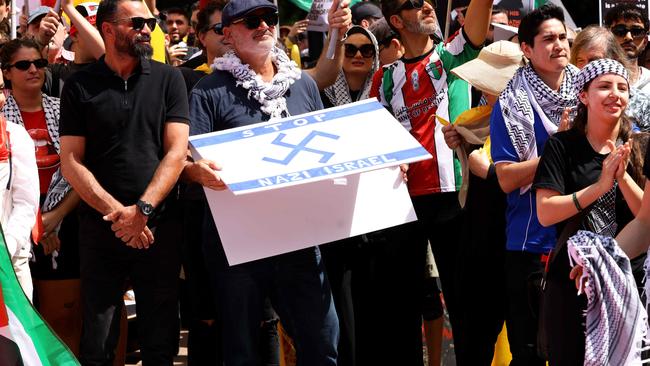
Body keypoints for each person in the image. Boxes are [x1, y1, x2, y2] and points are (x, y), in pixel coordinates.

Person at [184, 1, 342, 364]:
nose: (264, 26)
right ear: (227, 34)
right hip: (238, 243)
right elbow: (185, 159)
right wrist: (196, 171)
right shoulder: (208, 91)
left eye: (269, 18)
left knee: (322, 342)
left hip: (299, 238)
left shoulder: (303, 85)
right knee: (243, 352)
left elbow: (332, 151)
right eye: (251, 21)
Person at [58, 0, 190, 363]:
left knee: (161, 337)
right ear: (108, 28)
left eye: (150, 21)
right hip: (101, 229)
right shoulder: (79, 84)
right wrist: (119, 215)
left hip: (158, 228)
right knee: (98, 339)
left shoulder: (168, 78)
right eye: (138, 22)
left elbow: (177, 152)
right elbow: (70, 161)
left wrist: (143, 211)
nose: (147, 29)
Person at [370, 0, 493, 362]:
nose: (425, 5)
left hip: (452, 196)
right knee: (404, 306)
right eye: (413, 3)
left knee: (463, 301)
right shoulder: (384, 78)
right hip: (403, 203)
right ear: (395, 20)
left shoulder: (450, 55)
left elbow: (477, 19)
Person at [533, 58, 643, 365]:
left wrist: (621, 179)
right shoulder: (562, 146)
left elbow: (645, 218)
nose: (615, 94)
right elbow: (545, 212)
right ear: (584, 96)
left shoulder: (639, 146)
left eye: (622, 88)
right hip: (571, 282)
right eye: (604, 86)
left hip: (626, 282)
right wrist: (599, 185)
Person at [489, 4, 577, 365]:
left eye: (562, 37)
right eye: (548, 39)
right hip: (532, 246)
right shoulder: (511, 105)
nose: (559, 45)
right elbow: (507, 179)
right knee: (529, 352)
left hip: (583, 239)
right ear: (526, 49)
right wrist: (561, 146)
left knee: (576, 349)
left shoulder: (588, 90)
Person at [442, 40, 524, 365]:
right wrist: (460, 143)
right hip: (479, 246)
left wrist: (488, 172)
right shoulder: (475, 118)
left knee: (524, 344)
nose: (481, 90)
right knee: (475, 340)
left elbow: (535, 176)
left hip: (517, 245)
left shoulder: (535, 124)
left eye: (486, 84)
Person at [0, 37, 84, 353]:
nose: (33, 69)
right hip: (13, 228)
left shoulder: (64, 110)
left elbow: (81, 171)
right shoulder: (1, 119)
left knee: (63, 316)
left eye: (39, 63)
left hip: (64, 220)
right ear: (7, 73)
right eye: (23, 65)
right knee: (21, 318)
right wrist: (36, 224)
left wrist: (54, 218)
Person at [0, 67, 39, 302]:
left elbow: (26, 204)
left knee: (12, 340)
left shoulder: (16, 137)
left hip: (10, 263)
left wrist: (6, 248)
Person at [604, 3, 650, 93]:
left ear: (645, 41)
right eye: (620, 31)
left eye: (636, 31)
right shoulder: (596, 78)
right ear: (607, 36)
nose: (628, 37)